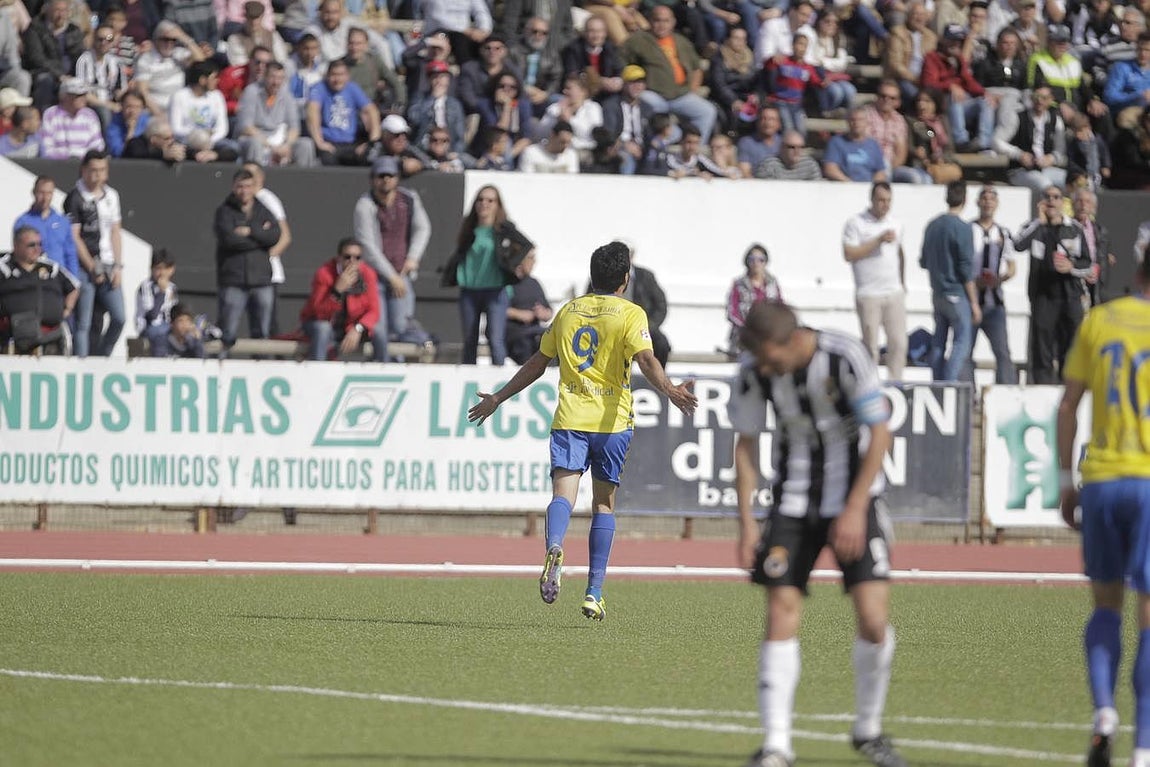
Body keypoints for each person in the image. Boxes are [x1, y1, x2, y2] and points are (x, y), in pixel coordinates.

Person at [467, 240, 697, 621]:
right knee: (604, 505)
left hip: (570, 419)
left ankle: (555, 545)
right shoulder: (631, 313)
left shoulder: (568, 312)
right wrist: (670, 390)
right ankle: (593, 593)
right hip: (612, 423)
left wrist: (498, 398)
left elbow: (538, 364)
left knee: (563, 496)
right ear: (625, 279)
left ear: (593, 276)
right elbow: (646, 358)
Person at [730, 299, 904, 767]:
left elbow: (880, 432)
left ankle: (868, 730)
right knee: (781, 609)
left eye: (770, 357)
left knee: (872, 617)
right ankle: (776, 746)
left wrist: (852, 508)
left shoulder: (844, 355)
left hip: (855, 498)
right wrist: (747, 525)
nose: (765, 367)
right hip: (792, 502)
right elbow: (745, 447)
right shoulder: (754, 370)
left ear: (792, 340)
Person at [1057, 252, 1150, 767]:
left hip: (1102, 479)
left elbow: (1068, 404)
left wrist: (1065, 483)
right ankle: (1143, 748)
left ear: (1138, 273)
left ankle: (1104, 715)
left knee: (1106, 606)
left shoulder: (1099, 319)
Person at [441, 185, 534, 366]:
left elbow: (526, 245)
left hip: (495, 289)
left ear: (497, 204)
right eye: (481, 200)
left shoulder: (503, 228)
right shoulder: (469, 227)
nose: (484, 204)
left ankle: (498, 383)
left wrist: (512, 265)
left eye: (490, 200)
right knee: (469, 339)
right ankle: (468, 376)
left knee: (495, 337)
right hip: (469, 290)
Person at [353, 156, 432, 363]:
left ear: (397, 178)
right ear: (372, 179)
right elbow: (367, 246)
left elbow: (423, 228)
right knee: (378, 326)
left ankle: (399, 368)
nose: (386, 180)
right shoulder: (365, 204)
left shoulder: (409, 199)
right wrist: (391, 276)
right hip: (375, 277)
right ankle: (383, 367)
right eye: (381, 176)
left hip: (401, 273)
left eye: (390, 175)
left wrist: (413, 258)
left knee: (401, 326)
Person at [1013, 184, 1091, 383]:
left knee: (1071, 347)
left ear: (1062, 202)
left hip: (1069, 296)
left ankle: (1068, 390)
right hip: (1043, 297)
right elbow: (1018, 244)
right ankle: (1042, 389)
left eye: (1056, 197)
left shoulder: (1074, 228)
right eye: (1047, 197)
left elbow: (1089, 264)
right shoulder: (1035, 227)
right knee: (1042, 348)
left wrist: (1070, 266)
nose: (1051, 201)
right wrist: (1039, 222)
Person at [843, 182, 907, 381]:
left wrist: (903, 283)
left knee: (899, 342)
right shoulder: (856, 223)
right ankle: (869, 384)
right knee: (870, 346)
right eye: (880, 200)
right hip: (869, 293)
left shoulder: (896, 223)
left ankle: (896, 383)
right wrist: (877, 241)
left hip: (893, 292)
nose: (884, 205)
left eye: (888, 201)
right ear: (871, 200)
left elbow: (899, 253)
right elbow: (849, 253)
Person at [213, 167, 281, 351]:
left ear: (254, 187)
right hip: (233, 280)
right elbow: (229, 240)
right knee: (227, 332)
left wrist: (250, 231)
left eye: (248, 186)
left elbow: (275, 235)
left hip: (261, 280)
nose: (244, 191)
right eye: (240, 186)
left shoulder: (263, 210)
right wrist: (259, 240)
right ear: (234, 187)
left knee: (262, 333)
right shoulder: (224, 212)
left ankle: (262, 370)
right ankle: (221, 369)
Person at [65, 149, 125, 359]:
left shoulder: (112, 195)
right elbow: (75, 236)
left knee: (119, 317)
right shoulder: (75, 197)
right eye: (93, 170)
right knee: (84, 321)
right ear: (83, 170)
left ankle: (102, 357)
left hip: (108, 263)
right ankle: (81, 362)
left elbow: (116, 231)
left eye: (101, 170)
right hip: (85, 265)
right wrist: (91, 267)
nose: (97, 175)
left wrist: (117, 265)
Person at [920, 180, 980, 382]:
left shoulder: (932, 225)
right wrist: (974, 302)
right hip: (957, 293)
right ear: (965, 198)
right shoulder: (963, 228)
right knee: (962, 341)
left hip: (937, 292)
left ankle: (936, 382)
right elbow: (965, 269)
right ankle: (948, 383)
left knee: (939, 340)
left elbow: (923, 261)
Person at [299, 237, 381, 361]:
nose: (352, 262)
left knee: (379, 330)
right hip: (322, 323)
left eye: (357, 258)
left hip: (351, 325)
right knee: (323, 329)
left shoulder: (368, 274)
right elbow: (319, 313)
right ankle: (317, 372)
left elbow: (374, 310)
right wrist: (337, 291)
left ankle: (381, 372)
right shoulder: (324, 273)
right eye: (347, 257)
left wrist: (358, 328)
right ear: (339, 258)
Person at [0, 226, 78, 355]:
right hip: (13, 336)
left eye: (40, 244)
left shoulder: (51, 268)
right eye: (31, 245)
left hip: (50, 336)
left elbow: (74, 287)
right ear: (16, 245)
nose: (37, 249)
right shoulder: (4, 267)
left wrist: (67, 309)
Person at [969, 185, 1019, 384]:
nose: (988, 202)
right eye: (984, 198)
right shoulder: (968, 230)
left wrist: (999, 280)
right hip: (971, 302)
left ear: (997, 204)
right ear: (978, 202)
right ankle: (967, 394)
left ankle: (1006, 394)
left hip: (994, 304)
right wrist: (974, 283)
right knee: (965, 352)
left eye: (992, 198)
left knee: (1003, 352)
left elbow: (1012, 267)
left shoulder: (1004, 233)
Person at [13, 176, 79, 281]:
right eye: (41, 193)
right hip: (32, 279)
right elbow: (18, 254)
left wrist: (74, 280)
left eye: (49, 193)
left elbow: (70, 253)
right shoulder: (22, 222)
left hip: (59, 280)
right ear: (34, 192)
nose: (45, 198)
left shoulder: (62, 221)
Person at [725, 243, 783, 355]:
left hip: (768, 338)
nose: (756, 263)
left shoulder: (773, 284)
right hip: (744, 339)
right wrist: (747, 328)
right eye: (752, 259)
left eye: (761, 259)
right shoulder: (739, 284)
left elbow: (780, 307)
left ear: (766, 262)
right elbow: (732, 312)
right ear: (747, 262)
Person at [504, 249, 552, 364]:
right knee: (525, 344)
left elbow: (548, 310)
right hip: (514, 332)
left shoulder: (534, 283)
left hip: (535, 330)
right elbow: (495, 309)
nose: (534, 262)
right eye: (531, 258)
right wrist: (518, 314)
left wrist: (544, 313)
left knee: (552, 339)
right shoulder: (507, 282)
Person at [135, 248, 180, 356]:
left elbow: (174, 314)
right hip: (148, 329)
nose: (162, 273)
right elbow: (152, 317)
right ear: (152, 268)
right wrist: (161, 292)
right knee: (162, 334)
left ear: (172, 269)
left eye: (166, 268)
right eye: (158, 268)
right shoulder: (145, 286)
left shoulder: (172, 288)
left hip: (168, 328)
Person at [755, 130, 822, 180]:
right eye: (792, 147)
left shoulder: (810, 165)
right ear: (781, 148)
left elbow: (817, 190)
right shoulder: (768, 165)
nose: (797, 151)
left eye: (801, 147)